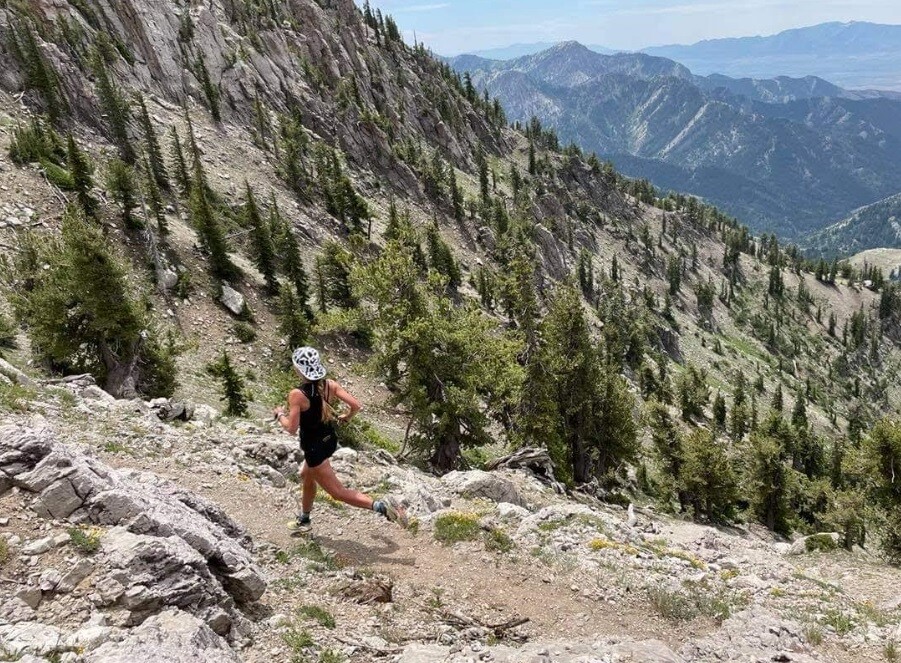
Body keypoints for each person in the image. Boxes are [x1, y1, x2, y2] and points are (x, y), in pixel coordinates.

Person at [273, 346, 407, 533]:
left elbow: (291, 428)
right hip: (329, 441)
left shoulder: (298, 395)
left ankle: (382, 507)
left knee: (338, 493)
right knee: (306, 475)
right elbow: (356, 405)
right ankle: (304, 519)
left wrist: (279, 415)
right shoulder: (329, 385)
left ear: (298, 369)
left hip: (314, 449)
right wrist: (347, 417)